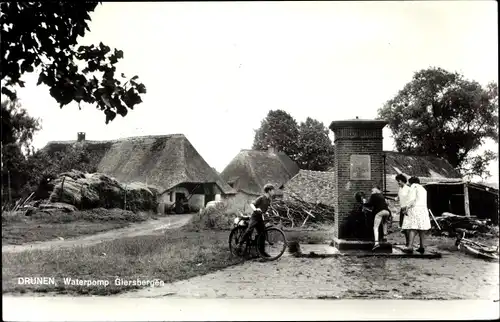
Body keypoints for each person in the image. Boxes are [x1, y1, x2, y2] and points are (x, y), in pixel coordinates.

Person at [235, 183, 275, 257]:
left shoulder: (269, 200)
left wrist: (267, 213)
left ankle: (262, 252)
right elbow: (252, 204)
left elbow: (265, 209)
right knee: (250, 229)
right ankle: (239, 244)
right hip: (255, 217)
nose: (274, 192)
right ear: (269, 191)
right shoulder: (261, 198)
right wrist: (256, 209)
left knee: (263, 234)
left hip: (260, 219)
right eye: (273, 190)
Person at [401, 176, 431, 254]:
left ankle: (410, 247)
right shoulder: (423, 189)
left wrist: (406, 208)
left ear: (411, 182)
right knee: (422, 228)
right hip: (423, 209)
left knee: (412, 228)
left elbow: (412, 199)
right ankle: (422, 246)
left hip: (415, 209)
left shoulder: (413, 187)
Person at [364, 185, 391, 250]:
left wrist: (364, 202)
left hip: (380, 212)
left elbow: (370, 204)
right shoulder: (382, 196)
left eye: (372, 191)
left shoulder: (374, 195)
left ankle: (376, 243)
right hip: (387, 212)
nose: (371, 192)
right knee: (384, 223)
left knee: (375, 227)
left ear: (376, 190)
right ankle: (385, 237)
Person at [395, 174, 411, 246]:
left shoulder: (408, 189)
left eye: (399, 181)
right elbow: (398, 198)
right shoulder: (400, 189)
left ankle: (409, 243)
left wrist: (407, 209)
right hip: (402, 209)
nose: (398, 182)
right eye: (397, 181)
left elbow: (411, 200)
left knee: (407, 226)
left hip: (407, 209)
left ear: (403, 181)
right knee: (403, 226)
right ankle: (407, 242)